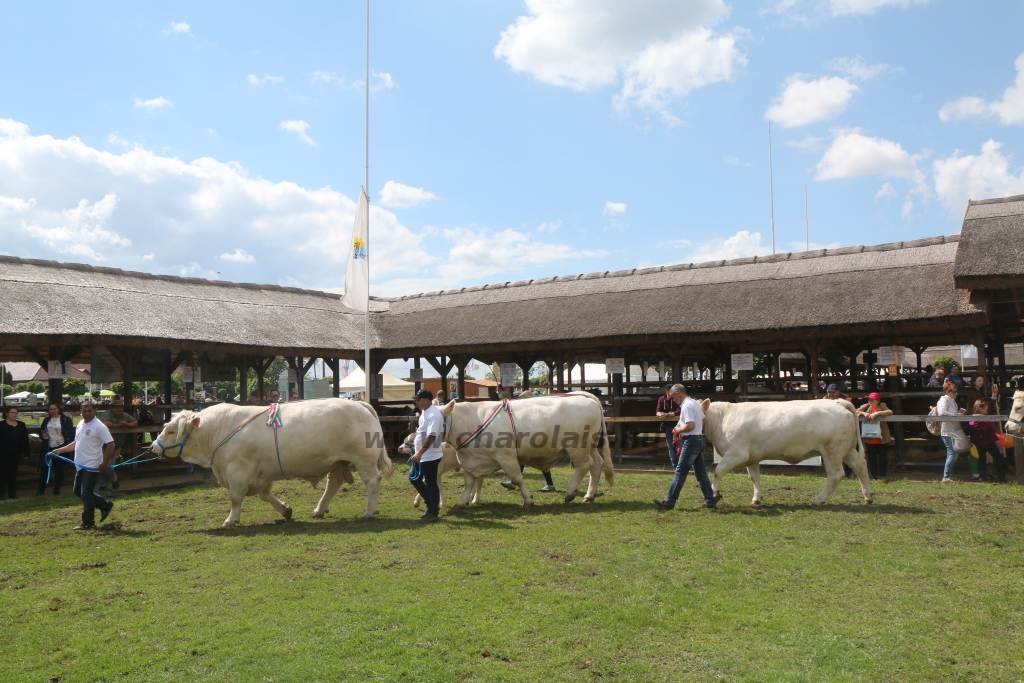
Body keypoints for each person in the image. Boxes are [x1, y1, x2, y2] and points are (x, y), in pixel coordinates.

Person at [50, 401, 115, 529]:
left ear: (94, 411)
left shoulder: (99, 426)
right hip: (80, 465)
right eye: (84, 411)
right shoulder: (80, 423)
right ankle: (105, 505)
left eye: (89, 411)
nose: (86, 413)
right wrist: (59, 450)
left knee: (86, 493)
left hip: (92, 465)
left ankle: (88, 523)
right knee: (78, 492)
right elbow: (76, 442)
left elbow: (111, 444)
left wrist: (104, 463)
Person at [654, 384, 716, 511]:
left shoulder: (686, 406)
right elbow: (703, 420)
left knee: (680, 472)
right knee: (701, 473)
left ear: (679, 393)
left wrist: (678, 430)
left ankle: (669, 502)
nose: (673, 400)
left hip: (691, 440)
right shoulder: (694, 403)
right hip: (698, 439)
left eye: (673, 397)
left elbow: (690, 425)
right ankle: (710, 500)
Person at [409, 389, 444, 521]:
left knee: (429, 482)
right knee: (415, 479)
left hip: (429, 455)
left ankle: (433, 510)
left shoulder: (433, 415)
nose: (416, 403)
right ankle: (432, 506)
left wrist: (420, 452)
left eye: (418, 400)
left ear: (425, 400)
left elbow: (432, 436)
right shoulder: (425, 412)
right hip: (423, 455)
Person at [38, 403, 75, 495]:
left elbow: (71, 434)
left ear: (58, 409)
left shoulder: (66, 419)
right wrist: (43, 435)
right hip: (48, 447)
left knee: (59, 470)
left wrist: (66, 446)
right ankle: (40, 491)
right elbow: (41, 432)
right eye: (50, 409)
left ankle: (56, 491)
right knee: (45, 468)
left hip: (61, 447)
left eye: (54, 409)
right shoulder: (46, 420)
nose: (52, 411)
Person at [856, 392, 893, 480]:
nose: (869, 400)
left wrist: (877, 413)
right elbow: (855, 411)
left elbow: (890, 412)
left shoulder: (883, 405)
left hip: (882, 437)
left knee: (883, 457)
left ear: (877, 400)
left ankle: (882, 474)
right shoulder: (865, 406)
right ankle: (874, 475)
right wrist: (863, 413)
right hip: (870, 438)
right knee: (872, 457)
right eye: (869, 399)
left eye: (872, 399)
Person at [101, 403, 138, 492]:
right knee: (104, 465)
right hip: (104, 445)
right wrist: (117, 425)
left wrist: (127, 424)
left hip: (117, 445)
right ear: (112, 408)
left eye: (121, 408)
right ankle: (111, 482)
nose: (119, 410)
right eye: (117, 408)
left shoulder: (124, 415)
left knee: (109, 465)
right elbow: (103, 423)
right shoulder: (107, 414)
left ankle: (108, 483)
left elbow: (135, 422)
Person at [968, 398, 1007, 483]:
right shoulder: (984, 418)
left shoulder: (971, 418)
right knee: (998, 457)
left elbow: (971, 428)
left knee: (981, 459)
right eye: (985, 407)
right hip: (989, 441)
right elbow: (992, 428)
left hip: (978, 442)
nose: (987, 409)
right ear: (980, 408)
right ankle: (1001, 477)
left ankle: (983, 477)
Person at [936, 379, 965, 483]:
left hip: (953, 430)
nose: (956, 393)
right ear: (948, 392)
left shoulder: (952, 401)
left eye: (956, 391)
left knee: (954, 453)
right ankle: (946, 476)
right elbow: (941, 413)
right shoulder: (943, 400)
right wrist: (955, 415)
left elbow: (951, 413)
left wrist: (958, 414)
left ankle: (948, 476)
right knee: (952, 453)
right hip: (947, 431)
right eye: (954, 391)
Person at [1, 406, 30, 499]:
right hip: (3, 454)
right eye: (12, 412)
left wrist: (26, 452)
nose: (14, 414)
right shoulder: (1, 425)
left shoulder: (21, 424)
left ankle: (12, 493)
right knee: (2, 474)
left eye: (16, 413)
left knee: (13, 474)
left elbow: (25, 440)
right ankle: (1, 494)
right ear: (7, 414)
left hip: (16, 454)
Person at [655, 383, 681, 468]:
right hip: (668, 426)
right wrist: (660, 414)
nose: (673, 393)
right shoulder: (661, 399)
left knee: (679, 445)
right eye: (671, 391)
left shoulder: (676, 399)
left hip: (678, 425)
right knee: (670, 446)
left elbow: (679, 410)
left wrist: (670, 414)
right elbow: (658, 411)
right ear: (667, 391)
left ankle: (680, 465)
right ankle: (675, 465)